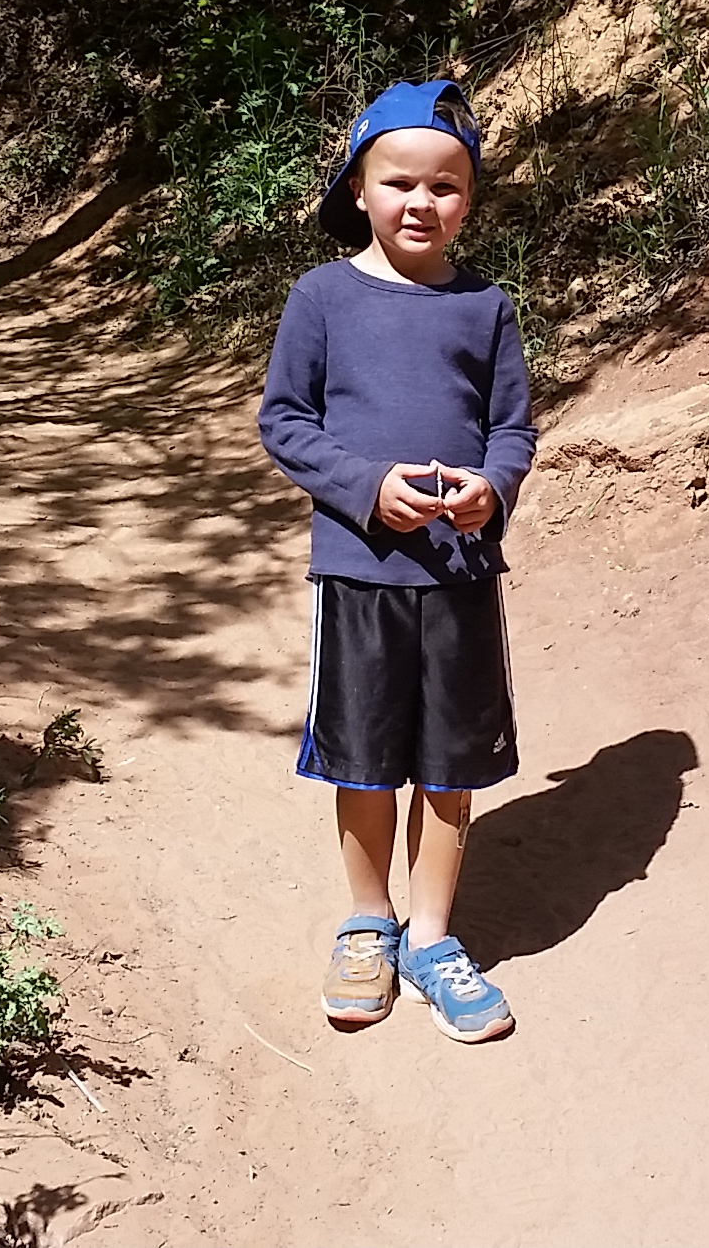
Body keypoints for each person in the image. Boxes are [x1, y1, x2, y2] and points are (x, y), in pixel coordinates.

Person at [257, 79, 534, 1044]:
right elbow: (284, 422)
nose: (423, 203)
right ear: (359, 187)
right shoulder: (323, 297)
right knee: (366, 761)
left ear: (470, 197)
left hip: (459, 572)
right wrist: (366, 485)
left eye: (447, 186)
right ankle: (368, 923)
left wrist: (492, 490)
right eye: (400, 182)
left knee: (448, 764)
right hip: (361, 569)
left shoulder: (487, 307)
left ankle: (432, 938)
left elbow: (512, 429)